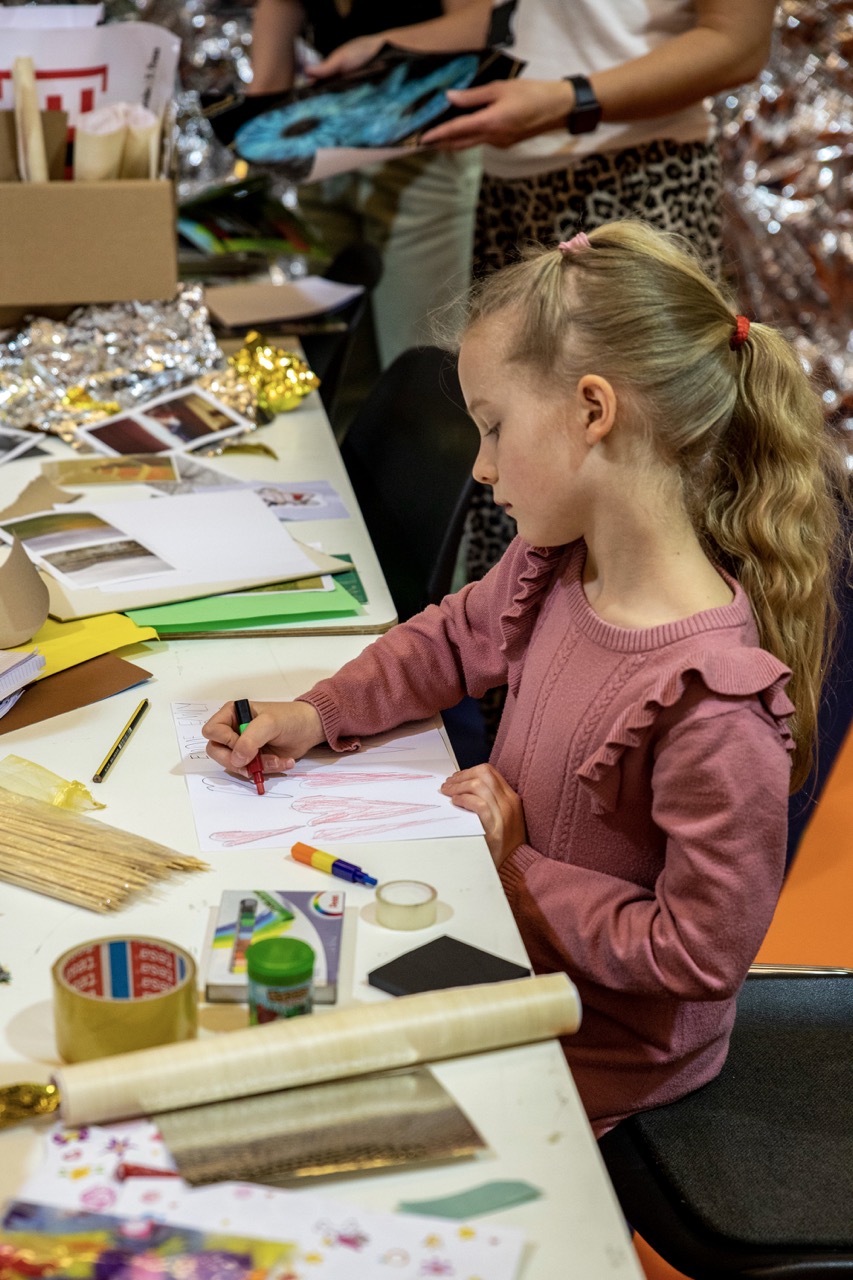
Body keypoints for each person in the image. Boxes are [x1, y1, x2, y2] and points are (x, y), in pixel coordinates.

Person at [203, 221, 849, 1136]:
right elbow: (448, 640)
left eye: (495, 427)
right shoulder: (558, 564)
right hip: (510, 943)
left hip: (595, 1044)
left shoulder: (711, 700)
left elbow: (696, 954)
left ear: (592, 410)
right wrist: (315, 713)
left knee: (296, 1107)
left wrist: (519, 866)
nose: (481, 465)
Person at [311, 0, 777, 573]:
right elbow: (515, 17)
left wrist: (568, 100)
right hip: (511, 183)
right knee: (519, 467)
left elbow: (738, 42)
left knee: (631, 479)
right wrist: (392, 52)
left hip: (631, 174)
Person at [247, 0, 483, 417]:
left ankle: (414, 457)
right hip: (327, 143)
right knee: (331, 350)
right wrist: (257, 130)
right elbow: (272, 51)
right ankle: (339, 455)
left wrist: (385, 46)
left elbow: (487, 20)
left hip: (422, 142)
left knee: (417, 355)